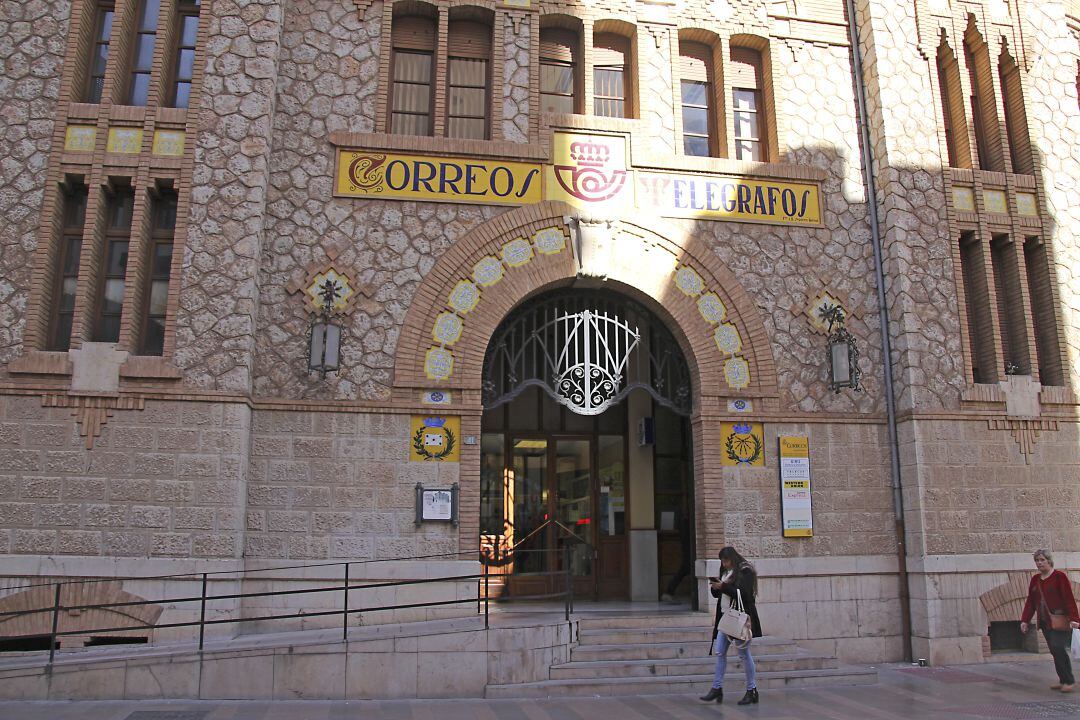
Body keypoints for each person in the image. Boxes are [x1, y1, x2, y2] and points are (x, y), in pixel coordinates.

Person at [700, 546, 762, 705]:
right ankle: (717, 688)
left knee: (743, 654)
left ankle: (752, 689)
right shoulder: (725, 571)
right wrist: (716, 587)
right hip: (725, 619)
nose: (724, 563)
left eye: (726, 560)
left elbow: (745, 594)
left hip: (739, 619)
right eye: (722, 560)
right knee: (720, 652)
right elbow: (720, 594)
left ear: (732, 558)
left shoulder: (745, 571)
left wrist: (724, 587)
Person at [1020, 549, 1080, 692]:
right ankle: (1063, 680)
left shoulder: (1059, 577)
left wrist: (1074, 618)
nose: (1039, 563)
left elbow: (1068, 599)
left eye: (1042, 560)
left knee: (1058, 647)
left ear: (1049, 560)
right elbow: (1031, 602)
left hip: (1059, 620)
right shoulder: (1035, 580)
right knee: (1054, 650)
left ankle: (1069, 681)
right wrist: (1025, 620)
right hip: (1046, 622)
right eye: (1037, 560)